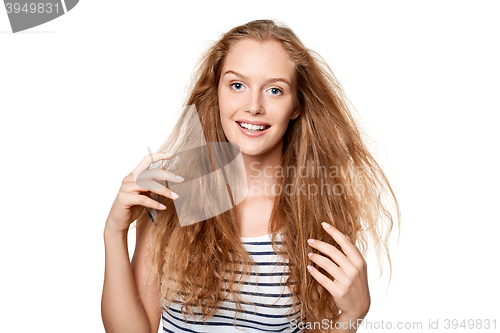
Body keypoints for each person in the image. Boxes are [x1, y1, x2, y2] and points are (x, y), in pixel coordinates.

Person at [101, 19, 400, 333]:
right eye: (237, 85)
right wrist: (114, 232)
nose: (253, 106)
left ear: (296, 104)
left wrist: (352, 315)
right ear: (216, 92)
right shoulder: (171, 197)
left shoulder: (317, 210)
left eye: (274, 90)